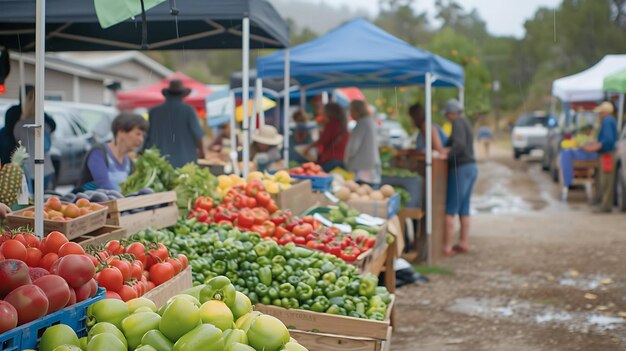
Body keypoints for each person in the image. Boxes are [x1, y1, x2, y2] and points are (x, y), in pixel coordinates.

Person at [441, 99, 478, 256]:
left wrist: (447, 154)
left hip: (460, 169)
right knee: (464, 207)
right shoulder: (466, 122)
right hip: (472, 168)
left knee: (450, 208)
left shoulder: (456, 123)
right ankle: (463, 242)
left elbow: (459, 145)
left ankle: (447, 246)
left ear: (450, 113)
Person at [78, 113, 148, 191]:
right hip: (92, 202)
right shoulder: (99, 152)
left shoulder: (129, 162)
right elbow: (104, 185)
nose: (141, 140)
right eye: (138, 134)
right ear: (121, 132)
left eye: (143, 135)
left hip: (120, 202)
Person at [145, 79, 205, 168]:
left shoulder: (154, 111)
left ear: (167, 94)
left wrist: (142, 152)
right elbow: (197, 135)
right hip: (184, 162)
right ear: (182, 95)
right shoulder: (188, 111)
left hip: (159, 162)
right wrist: (202, 151)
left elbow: (147, 136)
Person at [12, 85, 56, 192]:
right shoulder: (44, 124)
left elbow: (18, 144)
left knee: (31, 203)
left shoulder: (19, 126)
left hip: (29, 168)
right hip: (46, 168)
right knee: (44, 202)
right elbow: (48, 145)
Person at [583, 101, 618, 213]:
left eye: (601, 112)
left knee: (606, 182)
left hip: (607, 155)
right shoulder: (609, 121)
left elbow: (607, 141)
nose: (600, 115)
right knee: (604, 180)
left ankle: (606, 206)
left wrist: (594, 147)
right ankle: (603, 203)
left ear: (605, 112)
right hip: (606, 154)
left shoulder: (608, 121)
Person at [303, 102, 349, 172]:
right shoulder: (342, 125)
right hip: (341, 159)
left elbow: (323, 140)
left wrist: (310, 147)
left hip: (331, 159)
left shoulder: (332, 124)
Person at [345, 100, 381, 186]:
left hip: (361, 168)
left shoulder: (361, 123)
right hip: (371, 167)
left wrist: (346, 159)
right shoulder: (370, 122)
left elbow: (353, 148)